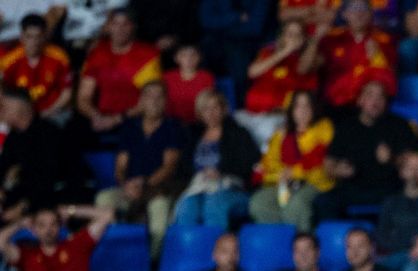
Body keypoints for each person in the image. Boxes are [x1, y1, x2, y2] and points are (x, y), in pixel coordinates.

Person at [95, 81, 184, 256]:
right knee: (104, 199)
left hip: (158, 189)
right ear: (141, 101)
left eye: (159, 97)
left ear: (166, 101)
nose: (154, 101)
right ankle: (114, 255)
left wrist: (145, 183)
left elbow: (169, 166)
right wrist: (126, 185)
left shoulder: (173, 127)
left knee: (159, 210)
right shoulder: (130, 127)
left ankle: (152, 262)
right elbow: (120, 166)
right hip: (130, 188)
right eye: (149, 96)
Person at [314, 80, 418, 223]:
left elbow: (414, 163)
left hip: (389, 188)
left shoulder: (400, 125)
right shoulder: (346, 127)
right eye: (370, 95)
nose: (375, 101)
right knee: (323, 202)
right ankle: (342, 237)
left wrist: (392, 159)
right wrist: (338, 170)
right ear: (360, 100)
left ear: (386, 102)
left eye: (380, 97)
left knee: (406, 202)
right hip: (353, 189)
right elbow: (329, 163)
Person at [249, 90, 334, 233]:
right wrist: (279, 175)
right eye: (298, 106)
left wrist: (294, 172)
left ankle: (304, 242)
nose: (303, 110)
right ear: (291, 110)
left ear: (314, 108)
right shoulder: (281, 134)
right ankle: (282, 240)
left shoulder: (324, 128)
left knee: (295, 206)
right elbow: (270, 163)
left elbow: (318, 161)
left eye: (307, 105)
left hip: (314, 182)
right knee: (259, 204)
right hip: (285, 183)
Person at [173, 90, 260, 230]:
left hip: (231, 188)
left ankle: (216, 244)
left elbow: (250, 163)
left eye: (215, 107)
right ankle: (189, 244)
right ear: (200, 113)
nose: (211, 112)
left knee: (213, 203)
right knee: (188, 206)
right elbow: (183, 169)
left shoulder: (238, 133)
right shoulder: (193, 135)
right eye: (206, 108)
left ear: (223, 109)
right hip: (198, 187)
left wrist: (221, 171)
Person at [0, 87, 88, 221]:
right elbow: (3, 167)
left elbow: (47, 179)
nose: (0, 111)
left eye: (3, 106)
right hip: (25, 198)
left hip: (57, 196)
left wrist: (22, 207)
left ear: (20, 107)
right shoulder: (14, 138)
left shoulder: (49, 134)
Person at [75, 9, 162, 139]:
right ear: (108, 27)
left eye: (125, 24)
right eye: (115, 24)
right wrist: (96, 116)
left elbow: (152, 99)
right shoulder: (97, 53)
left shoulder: (147, 55)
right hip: (100, 117)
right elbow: (83, 97)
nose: (120, 29)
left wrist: (117, 119)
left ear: (133, 27)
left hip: (134, 118)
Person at [239, 18, 322, 147]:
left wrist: (299, 48)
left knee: (266, 132)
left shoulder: (308, 60)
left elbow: (303, 69)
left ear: (304, 38)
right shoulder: (268, 53)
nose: (293, 38)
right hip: (252, 114)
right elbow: (252, 72)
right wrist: (284, 51)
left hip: (278, 118)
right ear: (282, 36)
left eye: (297, 34)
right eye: (290, 34)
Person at [313, 0, 398, 109]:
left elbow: (390, 79)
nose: (359, 13)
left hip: (367, 105)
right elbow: (307, 69)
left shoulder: (383, 40)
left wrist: (377, 58)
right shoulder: (331, 39)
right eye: (353, 8)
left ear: (371, 13)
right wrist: (315, 39)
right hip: (334, 103)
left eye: (363, 8)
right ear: (344, 14)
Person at [0, 13, 73, 121]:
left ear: (45, 36)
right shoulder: (9, 61)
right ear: (22, 37)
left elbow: (67, 93)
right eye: (29, 36)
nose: (34, 42)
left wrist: (48, 112)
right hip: (21, 115)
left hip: (53, 112)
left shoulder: (59, 58)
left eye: (38, 36)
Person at [162, 43, 215, 126]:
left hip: (198, 123)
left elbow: (208, 103)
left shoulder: (206, 77)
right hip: (171, 122)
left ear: (199, 58)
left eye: (193, 55)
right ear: (176, 58)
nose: (189, 59)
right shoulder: (167, 77)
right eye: (184, 55)